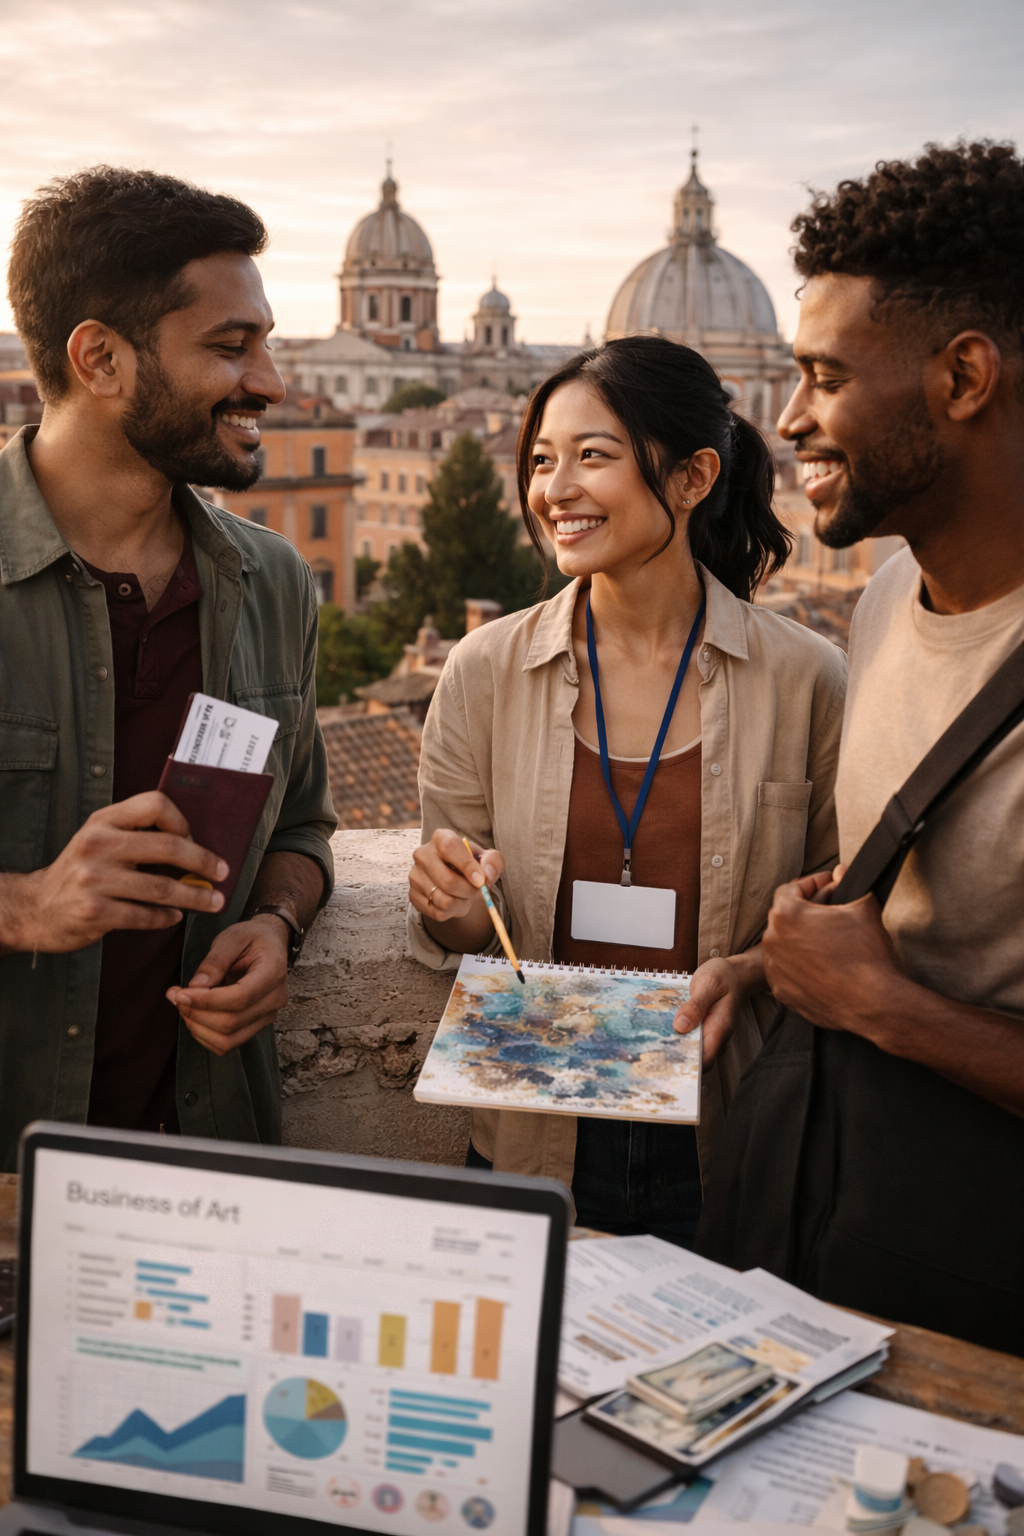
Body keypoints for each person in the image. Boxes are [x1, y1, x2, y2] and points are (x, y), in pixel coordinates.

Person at [405, 335, 846, 1245]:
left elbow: (845, 914)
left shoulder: (809, 679)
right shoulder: (484, 671)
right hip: (535, 1127)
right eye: (540, 460)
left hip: (729, 1128)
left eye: (591, 456)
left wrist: (756, 967)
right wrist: (449, 897)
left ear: (692, 478)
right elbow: (459, 927)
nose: (553, 488)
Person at [700, 141, 1024, 1352]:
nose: (787, 421)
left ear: (962, 376)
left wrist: (881, 1006)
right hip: (864, 1230)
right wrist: (786, 962)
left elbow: (902, 996)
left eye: (822, 375)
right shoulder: (887, 597)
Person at [0, 167, 337, 1168]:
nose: (271, 382)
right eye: (232, 349)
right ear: (100, 358)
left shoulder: (274, 581)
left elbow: (306, 827)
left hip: (201, 1161)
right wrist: (25, 906)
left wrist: (275, 923)